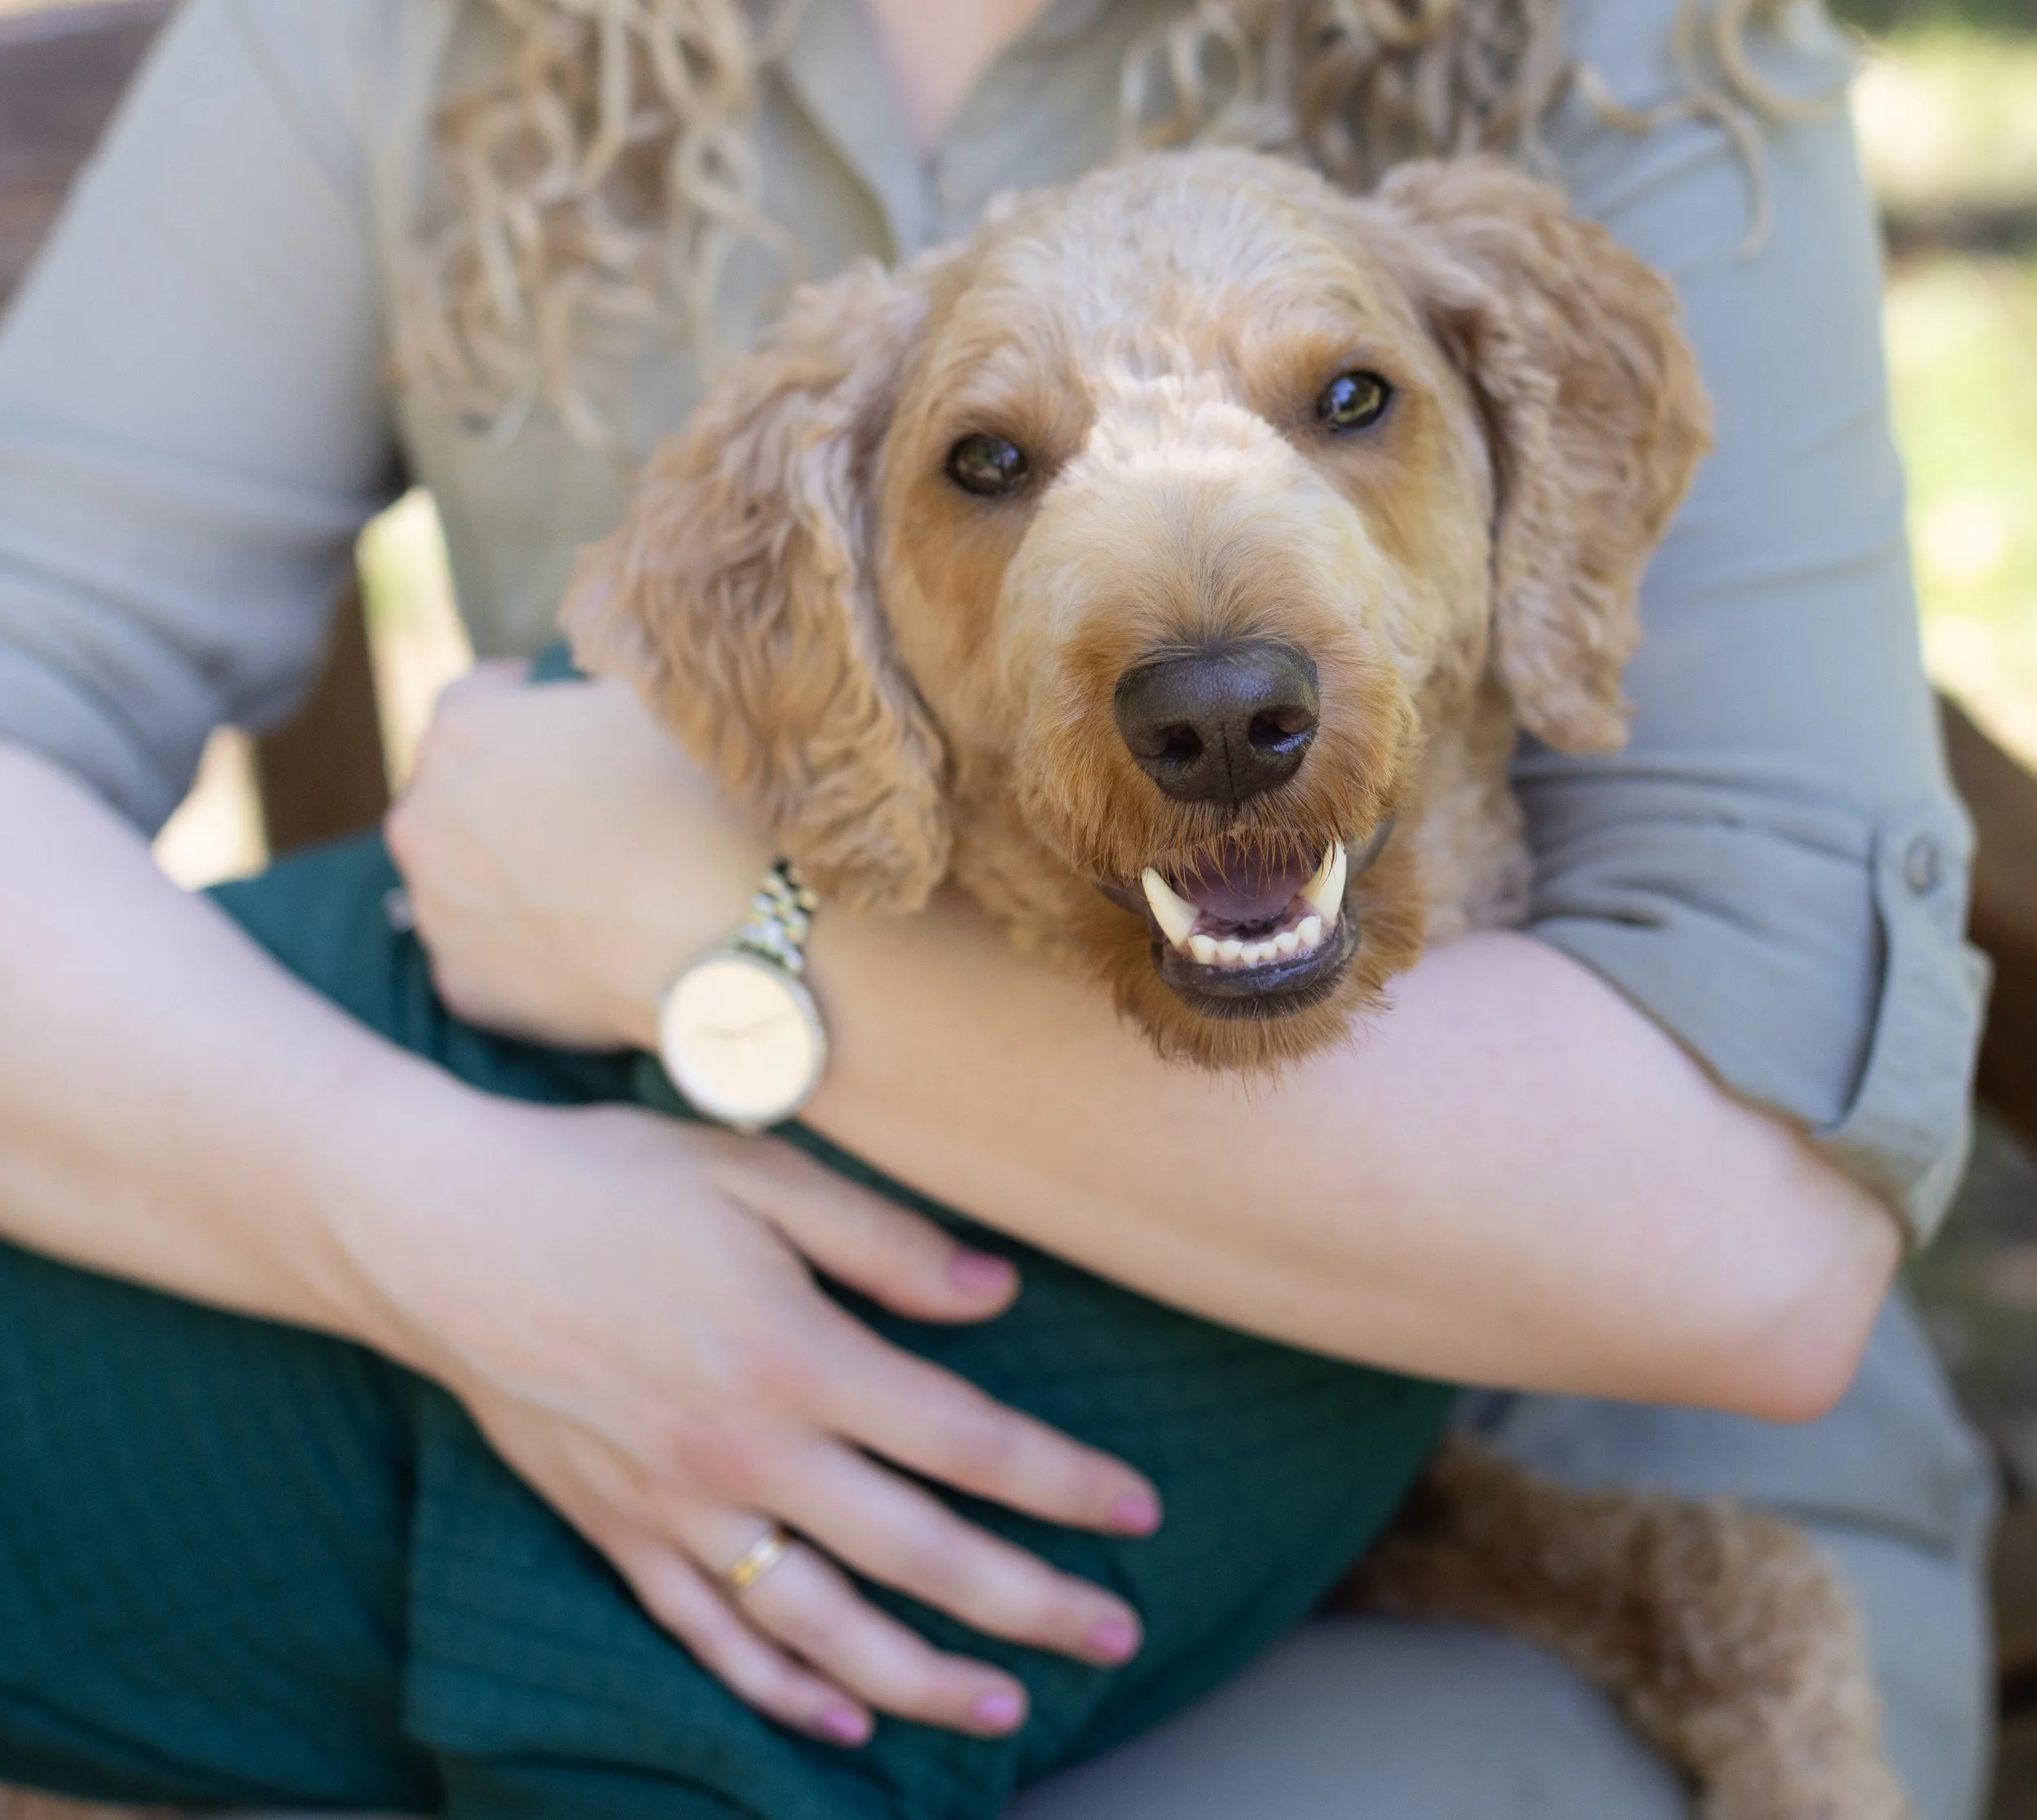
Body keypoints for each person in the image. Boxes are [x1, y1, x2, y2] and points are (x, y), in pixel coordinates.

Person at [0, 0, 1997, 1815]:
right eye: (986, 463)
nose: (1214, 676)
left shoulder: (1633, 43)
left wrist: (703, 923)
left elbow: (1748, 1249)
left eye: (1347, 405)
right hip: (632, 1457)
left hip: (1571, 1421)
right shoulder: (389, 35)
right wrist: (434, 1213)